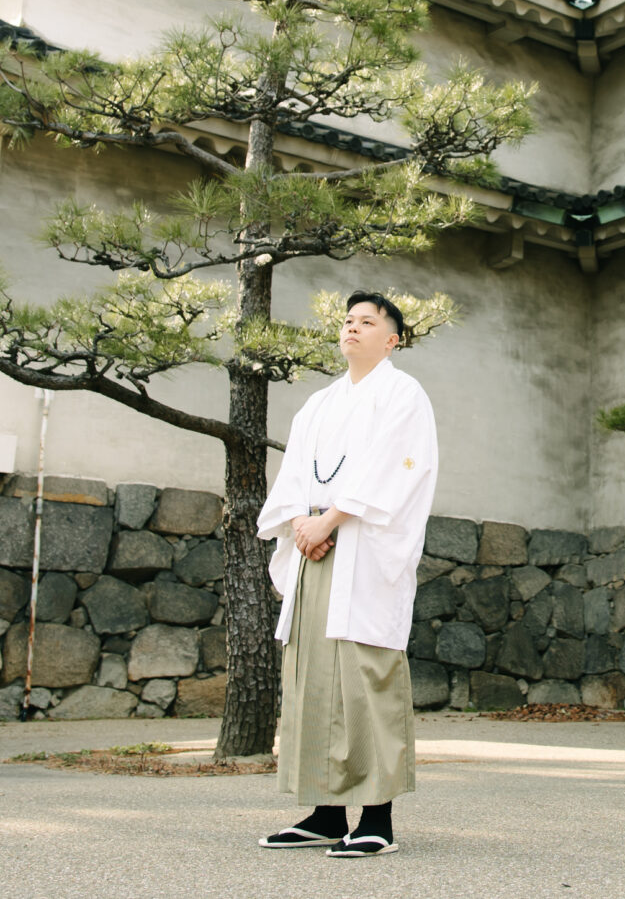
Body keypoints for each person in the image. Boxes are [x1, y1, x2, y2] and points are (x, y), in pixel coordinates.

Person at [255, 291, 438, 859]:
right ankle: (326, 811)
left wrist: (332, 517)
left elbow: (401, 467)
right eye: (348, 320)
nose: (353, 328)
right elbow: (292, 478)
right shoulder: (318, 404)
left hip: (364, 548)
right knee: (312, 673)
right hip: (314, 547)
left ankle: (377, 814)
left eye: (368, 322)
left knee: (364, 673)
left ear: (394, 339)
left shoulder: (403, 394)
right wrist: (302, 526)